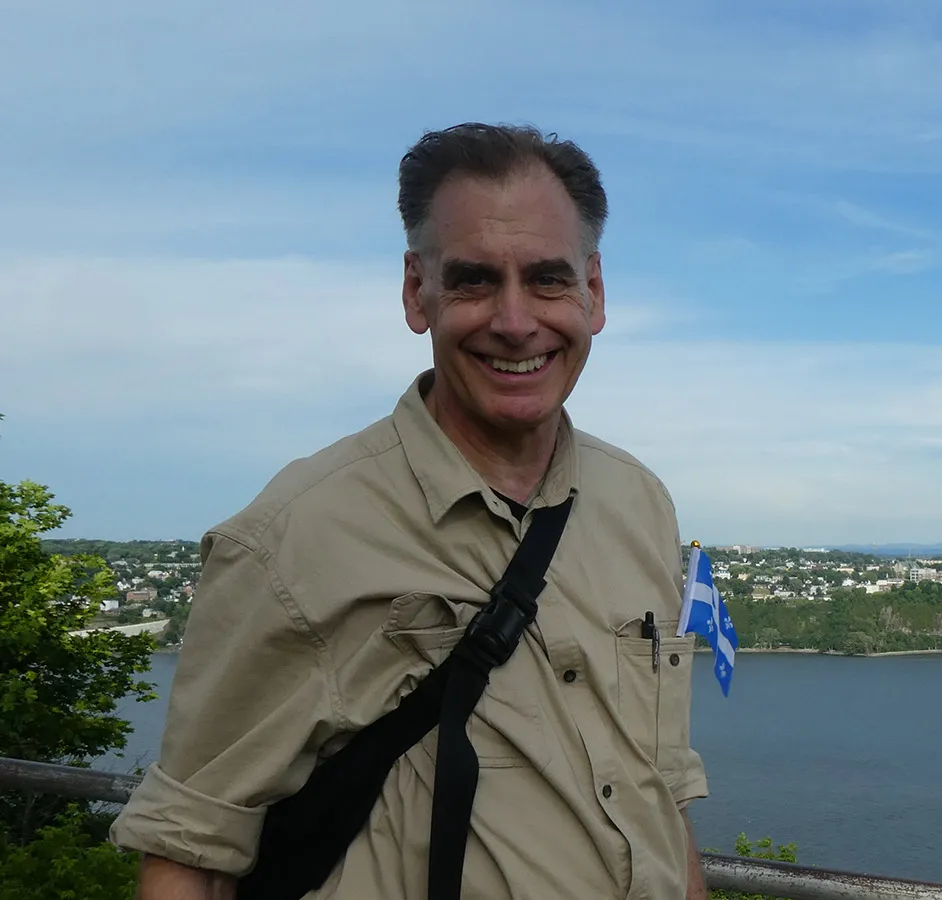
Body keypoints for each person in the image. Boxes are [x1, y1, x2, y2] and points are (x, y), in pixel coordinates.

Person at [109, 123, 711, 900]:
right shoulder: (296, 535)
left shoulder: (637, 501)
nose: (516, 320)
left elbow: (656, 790)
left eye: (548, 279)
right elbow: (188, 852)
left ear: (594, 291)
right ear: (414, 292)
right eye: (472, 281)